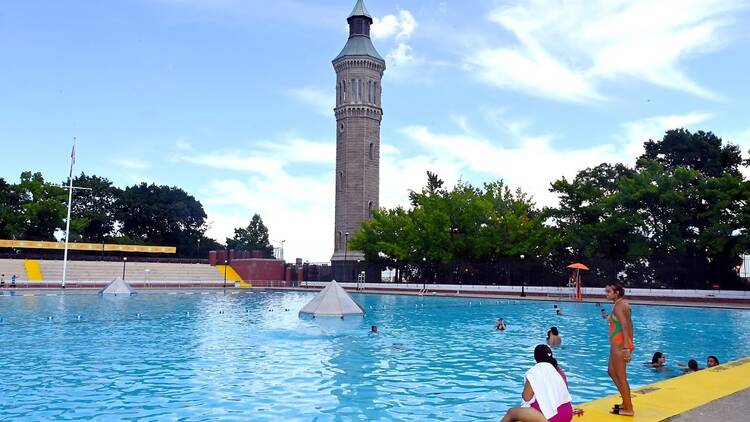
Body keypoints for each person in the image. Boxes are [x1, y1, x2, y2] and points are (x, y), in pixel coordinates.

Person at [500, 344, 573, 422]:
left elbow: (527, 397)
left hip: (549, 418)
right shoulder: (557, 370)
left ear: (535, 358)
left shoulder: (534, 372)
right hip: (568, 413)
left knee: (511, 412)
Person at [606, 283, 634, 417]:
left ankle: (629, 409)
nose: (606, 294)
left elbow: (624, 326)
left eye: (609, 292)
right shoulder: (623, 304)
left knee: (621, 377)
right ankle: (625, 401)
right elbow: (630, 325)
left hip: (619, 346)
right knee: (611, 372)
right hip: (619, 345)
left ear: (616, 293)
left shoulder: (618, 307)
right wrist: (630, 343)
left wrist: (626, 348)